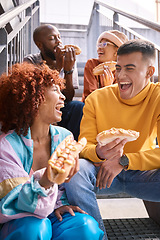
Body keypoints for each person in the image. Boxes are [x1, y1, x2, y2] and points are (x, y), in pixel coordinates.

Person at [64, 39, 160, 240]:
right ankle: (97, 237)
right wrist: (99, 153)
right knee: (78, 170)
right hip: (102, 172)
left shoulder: (157, 96)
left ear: (149, 72)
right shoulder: (96, 98)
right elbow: (84, 146)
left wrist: (123, 161)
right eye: (118, 68)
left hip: (144, 173)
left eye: (130, 69)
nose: (121, 76)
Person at [0, 62, 104, 240]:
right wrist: (46, 180)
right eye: (56, 90)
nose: (63, 97)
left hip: (53, 212)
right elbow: (13, 202)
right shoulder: (6, 146)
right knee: (35, 229)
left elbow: (63, 190)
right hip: (19, 217)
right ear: (34, 97)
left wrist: (57, 205)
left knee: (86, 228)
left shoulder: (65, 137)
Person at [24, 24, 84, 141]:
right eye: (52, 39)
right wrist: (57, 68)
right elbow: (35, 95)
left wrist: (68, 70)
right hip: (38, 107)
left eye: (59, 37)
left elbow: (68, 98)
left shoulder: (69, 60)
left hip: (59, 107)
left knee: (77, 106)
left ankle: (70, 147)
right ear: (39, 45)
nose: (59, 42)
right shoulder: (30, 61)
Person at [82, 30, 128, 102]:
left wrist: (108, 87)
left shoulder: (124, 72)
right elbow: (90, 98)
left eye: (104, 44)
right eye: (99, 45)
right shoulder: (92, 64)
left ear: (117, 51)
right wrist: (106, 89)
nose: (99, 48)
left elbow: (121, 102)